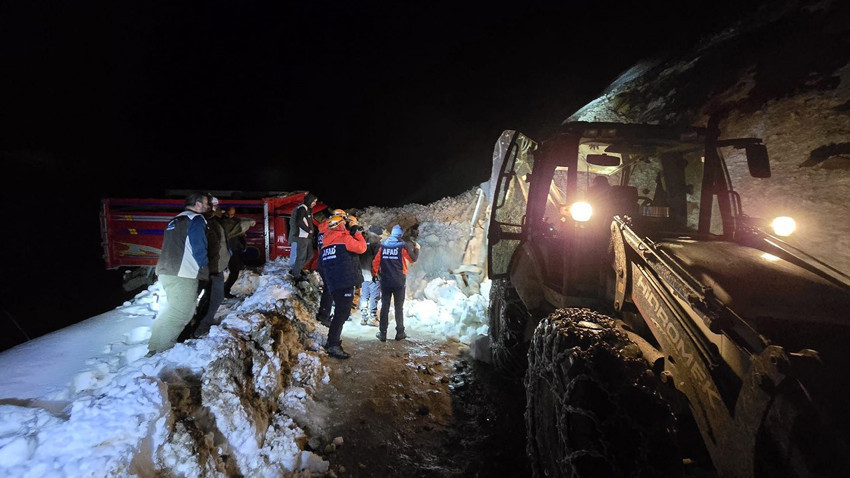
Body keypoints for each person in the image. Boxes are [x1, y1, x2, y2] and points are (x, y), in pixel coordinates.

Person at [148, 192, 210, 355]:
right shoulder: (196, 219)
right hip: (183, 273)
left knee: (171, 310)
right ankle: (163, 352)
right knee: (182, 313)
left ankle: (154, 347)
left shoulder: (175, 220)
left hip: (166, 270)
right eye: (205, 203)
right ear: (197, 204)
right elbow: (199, 247)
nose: (207, 206)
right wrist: (204, 267)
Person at [319, 213, 367, 359]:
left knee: (340, 312)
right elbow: (362, 248)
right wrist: (357, 232)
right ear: (341, 225)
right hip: (344, 281)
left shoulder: (326, 243)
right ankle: (333, 344)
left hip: (334, 282)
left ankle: (332, 342)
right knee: (342, 313)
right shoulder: (344, 239)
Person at [372, 224, 419, 342]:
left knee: (385, 306)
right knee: (399, 307)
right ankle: (400, 332)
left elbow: (375, 262)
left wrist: (374, 274)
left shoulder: (382, 245)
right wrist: (417, 249)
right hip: (399, 281)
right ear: (400, 235)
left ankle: (382, 333)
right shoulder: (402, 246)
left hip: (385, 281)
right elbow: (413, 259)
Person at [193, 196, 231, 337]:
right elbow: (201, 247)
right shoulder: (202, 222)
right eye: (212, 205)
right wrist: (205, 268)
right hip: (208, 268)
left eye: (216, 206)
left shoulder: (214, 221)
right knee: (210, 297)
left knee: (214, 297)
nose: (215, 208)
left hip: (216, 267)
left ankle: (202, 323)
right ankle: (197, 327)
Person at [221, 206, 255, 298]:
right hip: (229, 249)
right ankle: (223, 291)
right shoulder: (224, 222)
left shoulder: (233, 220)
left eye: (233, 213)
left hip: (234, 249)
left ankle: (224, 291)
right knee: (232, 272)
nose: (232, 215)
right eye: (231, 213)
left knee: (234, 272)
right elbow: (235, 229)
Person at [289, 192, 318, 280]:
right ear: (309, 201)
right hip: (302, 237)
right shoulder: (302, 209)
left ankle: (296, 269)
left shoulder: (307, 209)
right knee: (301, 257)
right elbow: (299, 222)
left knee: (310, 255)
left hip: (307, 237)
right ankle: (296, 275)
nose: (315, 203)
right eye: (314, 201)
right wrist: (308, 230)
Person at [359, 225, 383, 326]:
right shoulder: (376, 243)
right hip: (373, 273)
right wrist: (377, 272)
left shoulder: (363, 240)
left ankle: (364, 316)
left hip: (363, 272)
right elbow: (377, 259)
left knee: (364, 294)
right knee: (374, 295)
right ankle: (373, 317)